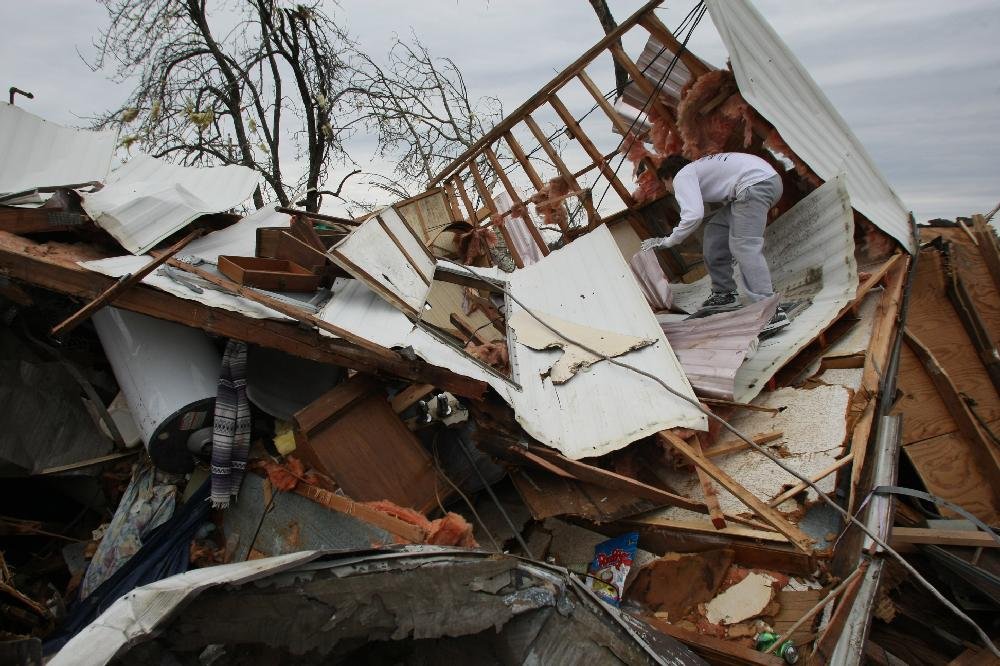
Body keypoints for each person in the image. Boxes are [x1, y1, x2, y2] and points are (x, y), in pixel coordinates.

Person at [639, 152, 786, 327]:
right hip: (764, 181)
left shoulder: (682, 176)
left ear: (668, 176)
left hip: (754, 185)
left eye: (665, 184)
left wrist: (668, 241)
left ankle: (770, 309)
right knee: (715, 231)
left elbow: (693, 215)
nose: (668, 189)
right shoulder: (698, 169)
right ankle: (725, 294)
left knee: (744, 246)